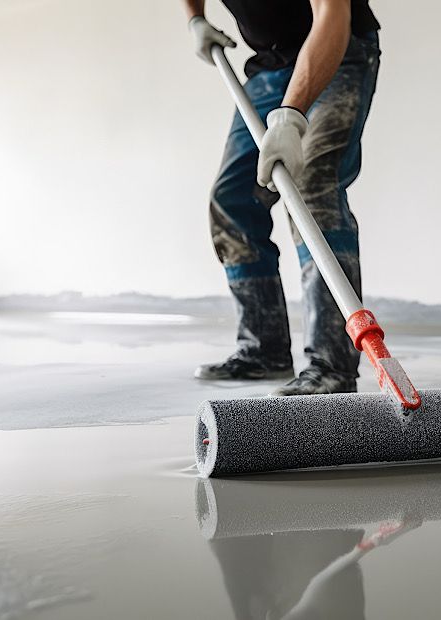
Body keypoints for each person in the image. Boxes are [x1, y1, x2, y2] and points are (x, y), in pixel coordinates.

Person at [184, 0, 380, 396]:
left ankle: (331, 365)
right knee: (232, 201)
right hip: (268, 66)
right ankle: (264, 350)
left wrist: (291, 116)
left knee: (313, 188)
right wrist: (195, 20)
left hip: (338, 51)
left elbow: (332, 16)